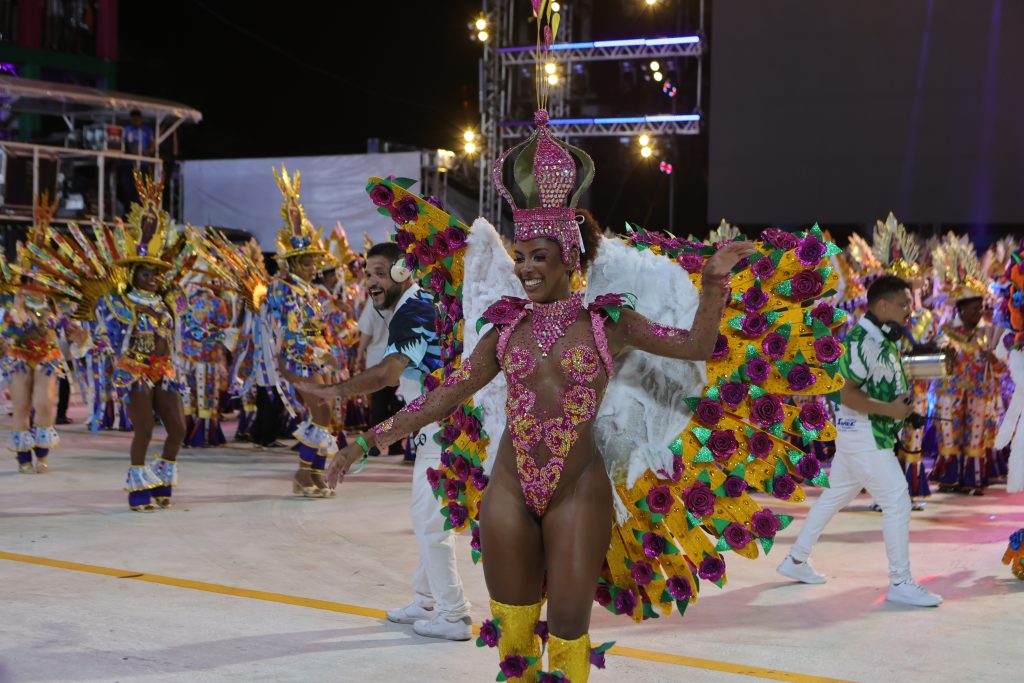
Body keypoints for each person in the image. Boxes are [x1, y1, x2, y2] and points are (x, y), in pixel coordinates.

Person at [313, 121, 754, 680]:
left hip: (579, 489)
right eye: (519, 256)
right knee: (515, 639)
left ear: (570, 255)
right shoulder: (505, 328)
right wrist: (365, 443)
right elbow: (444, 396)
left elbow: (695, 346)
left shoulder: (608, 322)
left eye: (537, 256)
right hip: (509, 490)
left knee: (569, 635)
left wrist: (713, 283)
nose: (523, 268)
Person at [308, 240, 473, 641]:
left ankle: (453, 613)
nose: (371, 282)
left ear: (404, 272)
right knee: (426, 518)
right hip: (437, 427)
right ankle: (427, 598)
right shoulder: (414, 306)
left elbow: (387, 374)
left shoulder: (413, 308)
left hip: (443, 429)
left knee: (431, 523)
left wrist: (334, 392)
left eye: (380, 273)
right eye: (368, 273)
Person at [777, 274, 942, 607]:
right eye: (904, 304)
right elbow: (847, 394)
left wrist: (902, 412)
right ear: (882, 305)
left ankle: (796, 559)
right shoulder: (861, 340)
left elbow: (876, 388)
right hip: (864, 436)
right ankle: (900, 581)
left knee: (835, 496)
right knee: (897, 500)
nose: (910, 310)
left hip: (862, 435)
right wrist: (889, 410)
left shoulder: (883, 339)